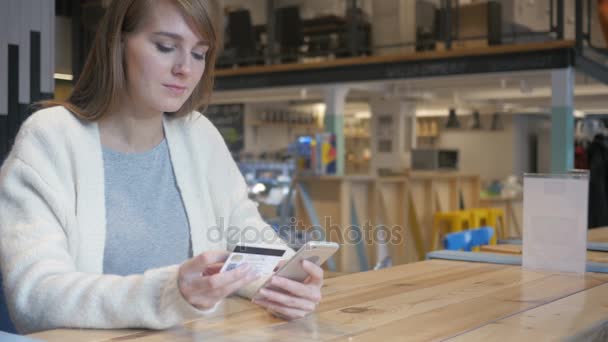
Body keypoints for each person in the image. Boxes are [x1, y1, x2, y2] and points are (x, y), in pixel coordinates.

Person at [0, 0, 322, 334]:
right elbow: (35, 296)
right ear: (118, 42)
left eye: (199, 53)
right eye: (166, 47)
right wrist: (171, 292)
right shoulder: (50, 138)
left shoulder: (198, 135)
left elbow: (247, 235)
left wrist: (286, 278)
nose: (185, 68)